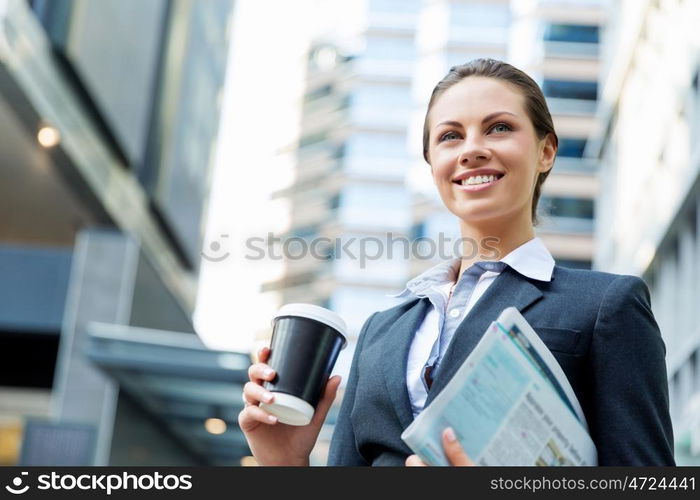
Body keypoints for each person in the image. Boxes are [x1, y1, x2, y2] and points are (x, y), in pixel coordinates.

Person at [238, 58, 675, 466]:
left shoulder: (606, 305)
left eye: (499, 128)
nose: (472, 150)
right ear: (433, 165)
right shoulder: (380, 330)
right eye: (450, 136)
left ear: (546, 152)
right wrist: (285, 463)